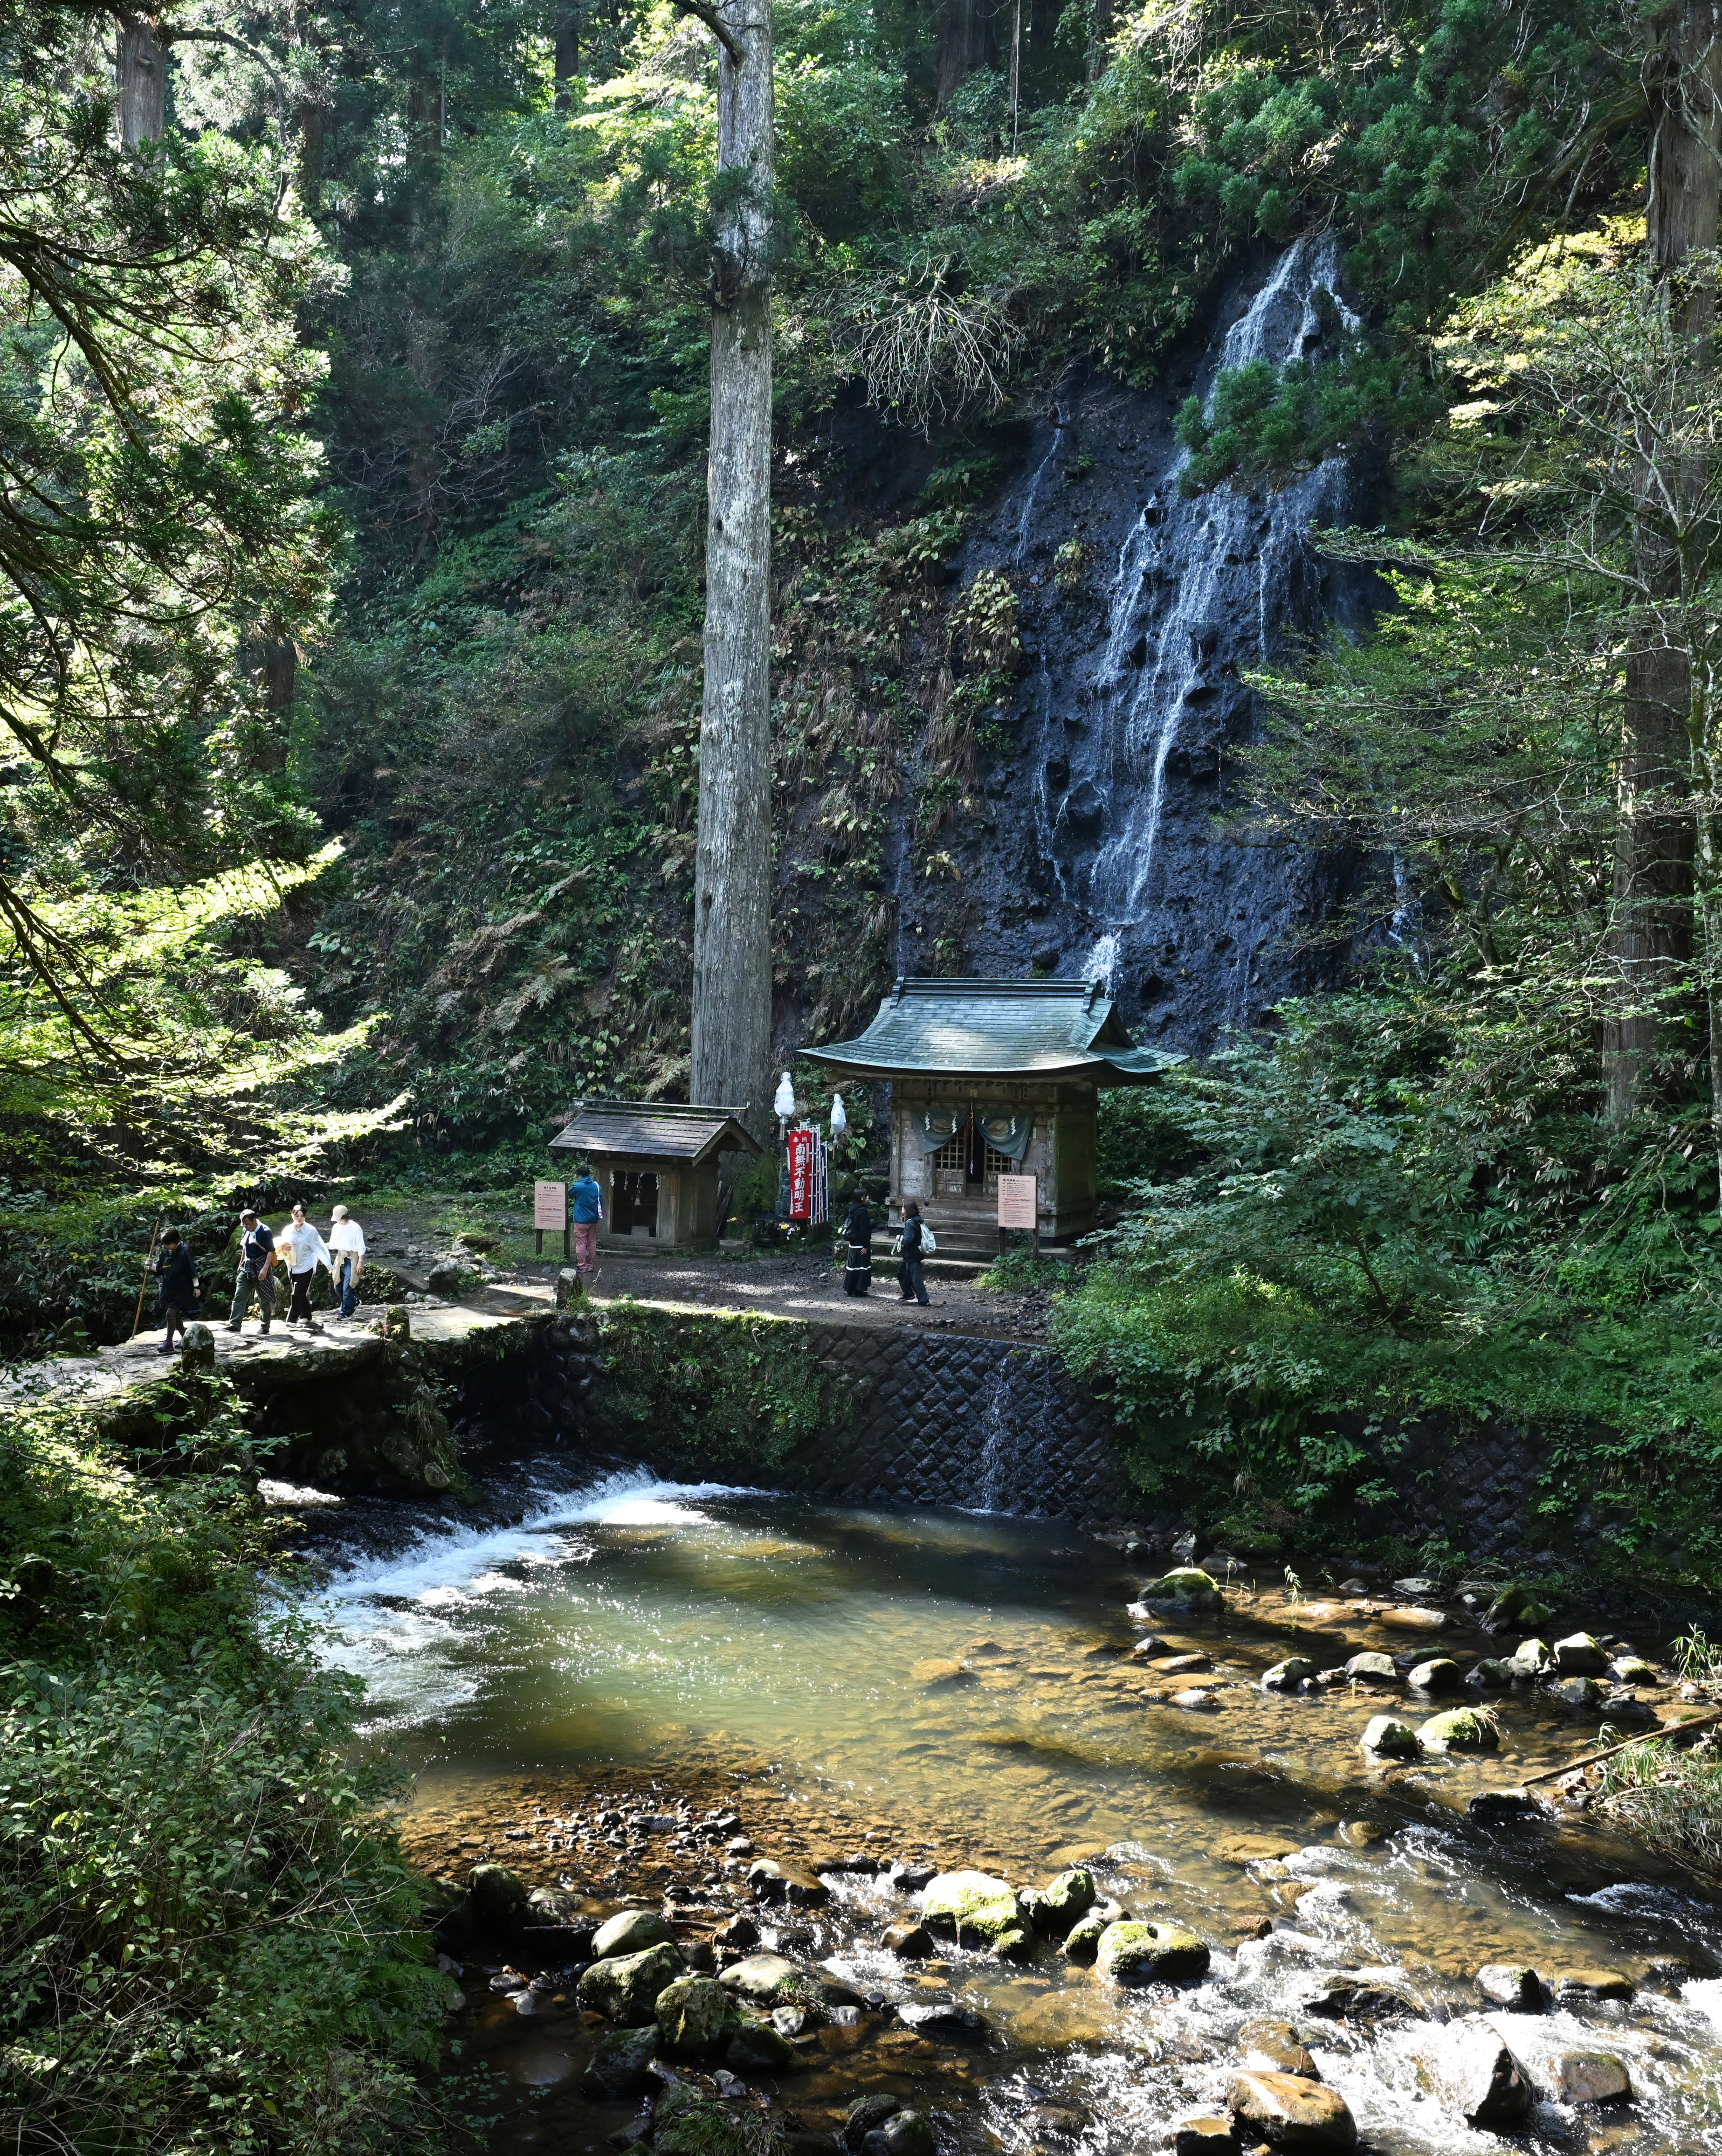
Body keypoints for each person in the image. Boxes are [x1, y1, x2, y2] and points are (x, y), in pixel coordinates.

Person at [279, 1202, 331, 1329]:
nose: (300, 1218)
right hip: (292, 1265)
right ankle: (306, 1315)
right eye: (297, 1216)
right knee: (300, 1293)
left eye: (302, 1216)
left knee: (297, 1293)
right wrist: (283, 1246)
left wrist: (329, 1265)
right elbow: (280, 1244)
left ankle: (292, 1320)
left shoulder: (311, 1231)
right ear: (292, 1216)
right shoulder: (287, 1230)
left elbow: (319, 1248)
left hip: (307, 1265)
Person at [226, 1208, 276, 1333]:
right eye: (244, 1225)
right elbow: (245, 1248)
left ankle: (265, 1327)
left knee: (264, 1299)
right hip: (247, 1266)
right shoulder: (246, 1230)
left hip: (261, 1265)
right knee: (239, 1295)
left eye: (248, 1224)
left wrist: (265, 1269)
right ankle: (235, 1324)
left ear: (254, 1220)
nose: (246, 1227)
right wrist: (241, 1264)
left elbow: (271, 1251)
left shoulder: (265, 1231)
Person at [152, 1227, 199, 1354]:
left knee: (170, 1314)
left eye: (168, 1244)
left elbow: (192, 1269)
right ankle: (186, 1339)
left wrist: (196, 1287)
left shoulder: (184, 1251)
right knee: (176, 1315)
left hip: (182, 1289)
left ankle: (169, 1342)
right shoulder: (165, 1252)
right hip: (169, 1289)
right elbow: (160, 1269)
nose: (166, 1246)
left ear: (175, 1242)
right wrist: (150, 1266)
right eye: (165, 1244)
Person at [328, 1204, 365, 1318]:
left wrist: (360, 1262)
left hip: (352, 1258)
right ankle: (353, 1302)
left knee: (348, 1286)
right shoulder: (336, 1228)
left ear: (345, 1217)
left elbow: (361, 1246)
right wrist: (319, 1245)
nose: (338, 1221)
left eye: (340, 1219)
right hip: (341, 1257)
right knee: (338, 1286)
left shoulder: (356, 1228)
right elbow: (332, 1245)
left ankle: (346, 1312)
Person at [568, 1162, 603, 1281]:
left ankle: (582, 1266)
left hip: (581, 1220)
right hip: (594, 1219)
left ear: (580, 1175)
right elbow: (601, 1202)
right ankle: (590, 1265)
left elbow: (570, 1194)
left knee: (581, 1243)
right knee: (592, 1242)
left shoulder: (578, 1186)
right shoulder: (597, 1186)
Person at [896, 1201, 931, 1307]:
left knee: (916, 1278)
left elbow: (908, 1240)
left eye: (904, 1208)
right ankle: (908, 1293)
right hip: (913, 1254)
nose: (902, 1209)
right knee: (903, 1273)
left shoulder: (910, 1222)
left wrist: (900, 1239)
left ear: (908, 1210)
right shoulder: (917, 1220)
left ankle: (924, 1299)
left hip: (912, 1254)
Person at [842, 1194, 872, 1297]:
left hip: (853, 1242)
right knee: (861, 1266)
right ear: (862, 1198)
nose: (868, 1198)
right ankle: (858, 1289)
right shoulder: (862, 1212)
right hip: (860, 1244)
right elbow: (865, 1230)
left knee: (852, 1267)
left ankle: (850, 1289)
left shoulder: (852, 1209)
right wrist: (866, 1245)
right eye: (866, 1196)